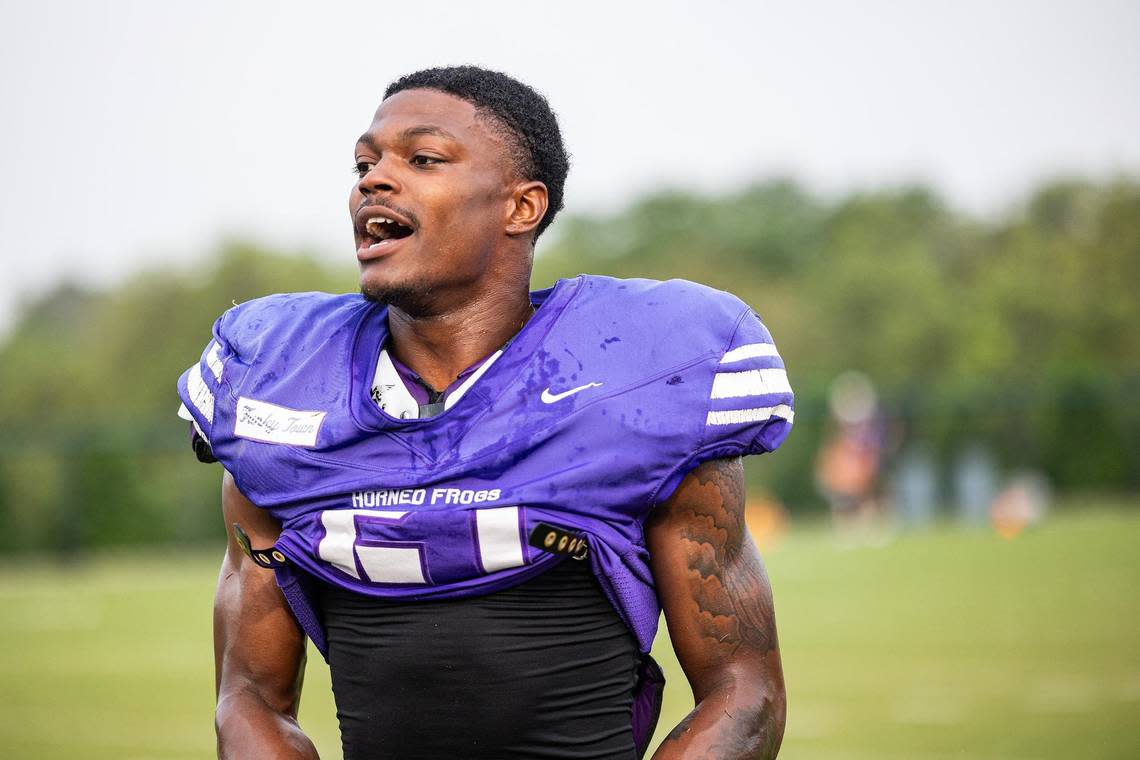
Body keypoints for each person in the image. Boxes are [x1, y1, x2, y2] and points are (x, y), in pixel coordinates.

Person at [177, 66, 793, 760]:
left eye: (423, 158)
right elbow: (248, 696)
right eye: (364, 163)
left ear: (521, 207)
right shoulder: (277, 383)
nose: (373, 180)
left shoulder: (645, 375)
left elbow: (743, 690)